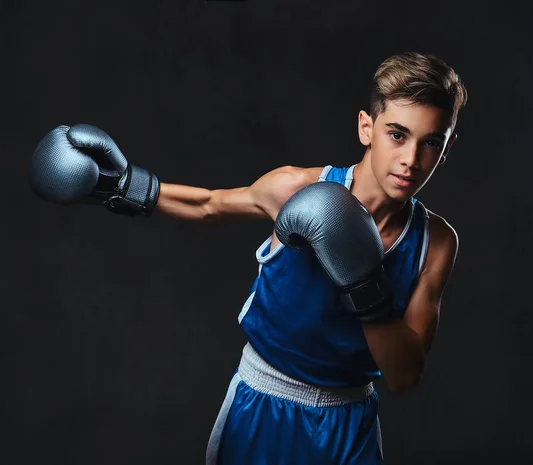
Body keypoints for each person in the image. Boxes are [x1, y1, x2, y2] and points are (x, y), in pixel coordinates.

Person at [29, 52, 467, 464]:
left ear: (445, 150)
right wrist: (123, 186)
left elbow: (404, 376)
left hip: (349, 419)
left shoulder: (436, 242)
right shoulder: (295, 188)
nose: (411, 160)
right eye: (397, 134)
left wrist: (364, 285)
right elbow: (210, 205)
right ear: (366, 128)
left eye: (431, 143)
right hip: (265, 401)